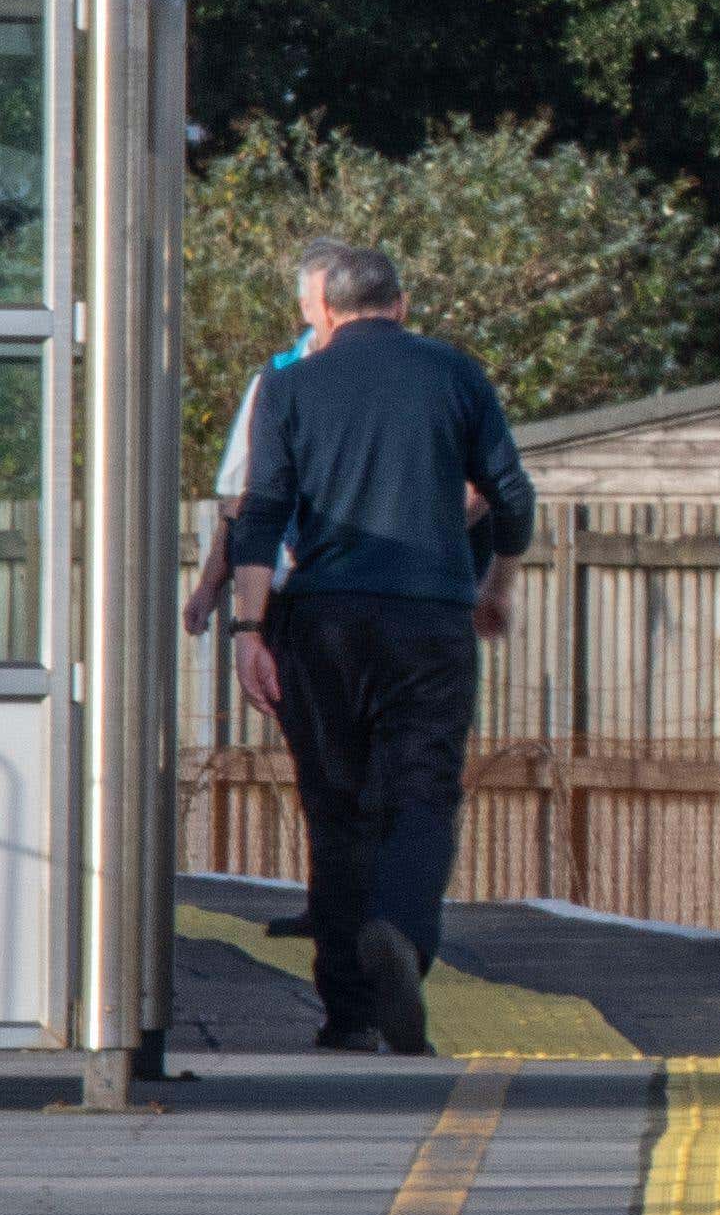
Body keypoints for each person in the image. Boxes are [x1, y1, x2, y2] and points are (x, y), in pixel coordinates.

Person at [196, 241, 537, 1055]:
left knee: (336, 806)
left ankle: (348, 1011)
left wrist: (248, 632)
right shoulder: (455, 374)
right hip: (429, 620)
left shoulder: (288, 385)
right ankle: (402, 934)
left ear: (327, 309)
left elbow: (260, 512)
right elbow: (511, 495)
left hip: (323, 623)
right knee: (422, 793)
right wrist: (496, 583)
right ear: (402, 303)